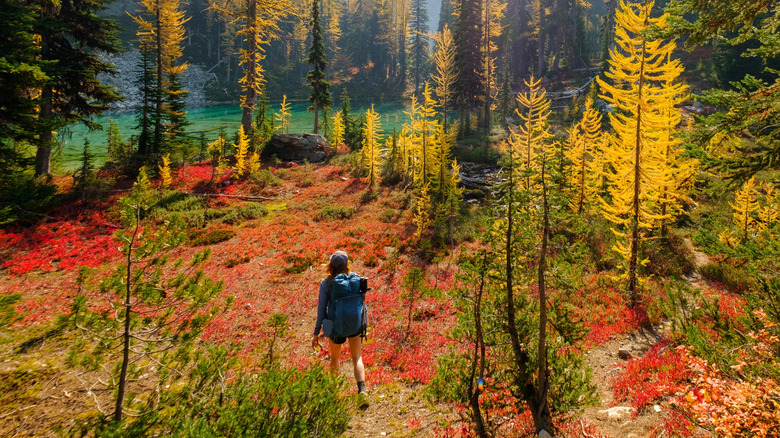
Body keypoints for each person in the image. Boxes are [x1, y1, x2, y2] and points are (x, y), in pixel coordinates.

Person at [312, 250, 368, 402]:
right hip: (355, 325)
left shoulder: (326, 283)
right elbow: (362, 303)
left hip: (336, 326)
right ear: (347, 265)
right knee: (357, 357)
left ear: (330, 266)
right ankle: (362, 390)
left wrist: (317, 332)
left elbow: (321, 309)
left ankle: (333, 393)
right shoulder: (355, 280)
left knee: (335, 358)